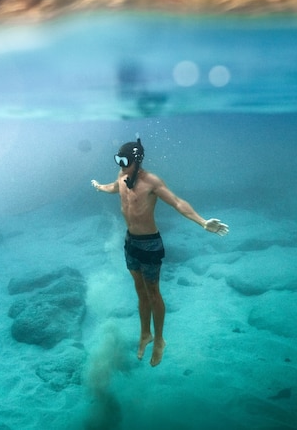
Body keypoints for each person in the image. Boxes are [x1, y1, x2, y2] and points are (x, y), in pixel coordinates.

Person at [91, 137, 229, 367]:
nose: (120, 165)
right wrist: (99, 187)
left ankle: (160, 340)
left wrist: (203, 222)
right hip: (131, 242)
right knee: (140, 292)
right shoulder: (122, 176)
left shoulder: (152, 182)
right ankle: (145, 334)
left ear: (136, 160)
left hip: (150, 244)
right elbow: (114, 188)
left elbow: (176, 202)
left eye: (123, 160)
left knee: (153, 293)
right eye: (117, 160)